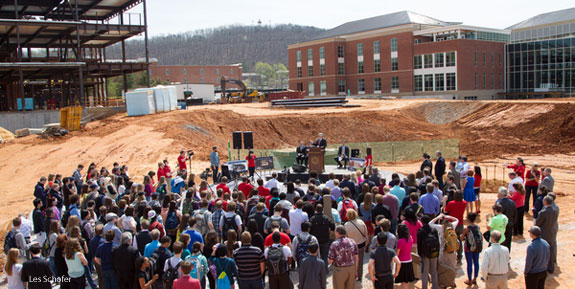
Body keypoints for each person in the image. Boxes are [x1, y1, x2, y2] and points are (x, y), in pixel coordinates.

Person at [535, 196, 559, 273]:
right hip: (552, 233)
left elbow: (538, 223)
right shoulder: (555, 211)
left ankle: (543, 268)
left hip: (544, 234)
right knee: (551, 251)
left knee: (543, 252)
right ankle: (551, 268)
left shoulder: (543, 212)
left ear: (545, 202)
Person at [342, 210, 367, 280]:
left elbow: (345, 236)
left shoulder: (346, 225)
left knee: (351, 261)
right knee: (360, 260)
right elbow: (366, 234)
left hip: (351, 246)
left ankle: (352, 275)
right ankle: (360, 275)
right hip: (361, 244)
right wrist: (366, 243)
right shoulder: (361, 222)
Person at [417, 215, 439, 289]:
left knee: (425, 272)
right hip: (434, 253)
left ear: (422, 222)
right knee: (434, 271)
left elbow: (419, 245)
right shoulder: (434, 230)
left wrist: (420, 255)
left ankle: (424, 287)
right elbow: (438, 242)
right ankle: (435, 287)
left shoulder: (420, 231)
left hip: (425, 255)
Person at [444, 191, 467, 263]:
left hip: (452, 224)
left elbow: (445, 210)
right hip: (460, 223)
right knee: (459, 239)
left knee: (450, 239)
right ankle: (459, 256)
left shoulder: (451, 203)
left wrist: (444, 201)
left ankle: (451, 255)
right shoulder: (464, 203)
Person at [462, 212, 482, 286]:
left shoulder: (466, 228)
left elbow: (462, 238)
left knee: (469, 263)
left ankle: (469, 279)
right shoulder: (478, 227)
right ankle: (475, 278)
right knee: (476, 262)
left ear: (468, 219)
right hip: (476, 247)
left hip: (468, 248)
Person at [495, 187, 516, 252]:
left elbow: (496, 215)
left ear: (501, 194)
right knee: (508, 241)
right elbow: (515, 214)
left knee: (501, 241)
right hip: (509, 224)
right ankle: (507, 255)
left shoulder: (499, 203)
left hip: (501, 225)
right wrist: (512, 223)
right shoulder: (512, 202)